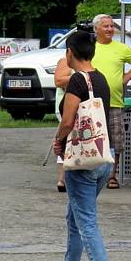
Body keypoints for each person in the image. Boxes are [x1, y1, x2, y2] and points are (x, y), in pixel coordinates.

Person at [43, 30, 113, 261]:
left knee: (86, 221)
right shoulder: (100, 78)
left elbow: (68, 120)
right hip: (103, 157)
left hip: (82, 160)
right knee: (75, 216)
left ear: (70, 52)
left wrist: (58, 141)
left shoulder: (76, 81)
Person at [91, 14, 131, 189]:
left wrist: (126, 78)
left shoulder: (121, 48)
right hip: (93, 102)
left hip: (114, 102)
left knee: (115, 141)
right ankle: (92, 173)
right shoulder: (90, 48)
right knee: (93, 138)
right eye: (105, 26)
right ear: (96, 29)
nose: (109, 29)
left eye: (111, 26)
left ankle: (112, 176)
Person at [53, 56, 73, 192]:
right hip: (65, 103)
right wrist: (80, 78)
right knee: (65, 139)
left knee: (71, 140)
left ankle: (64, 178)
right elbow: (59, 81)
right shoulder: (65, 60)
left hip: (77, 103)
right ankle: (62, 178)